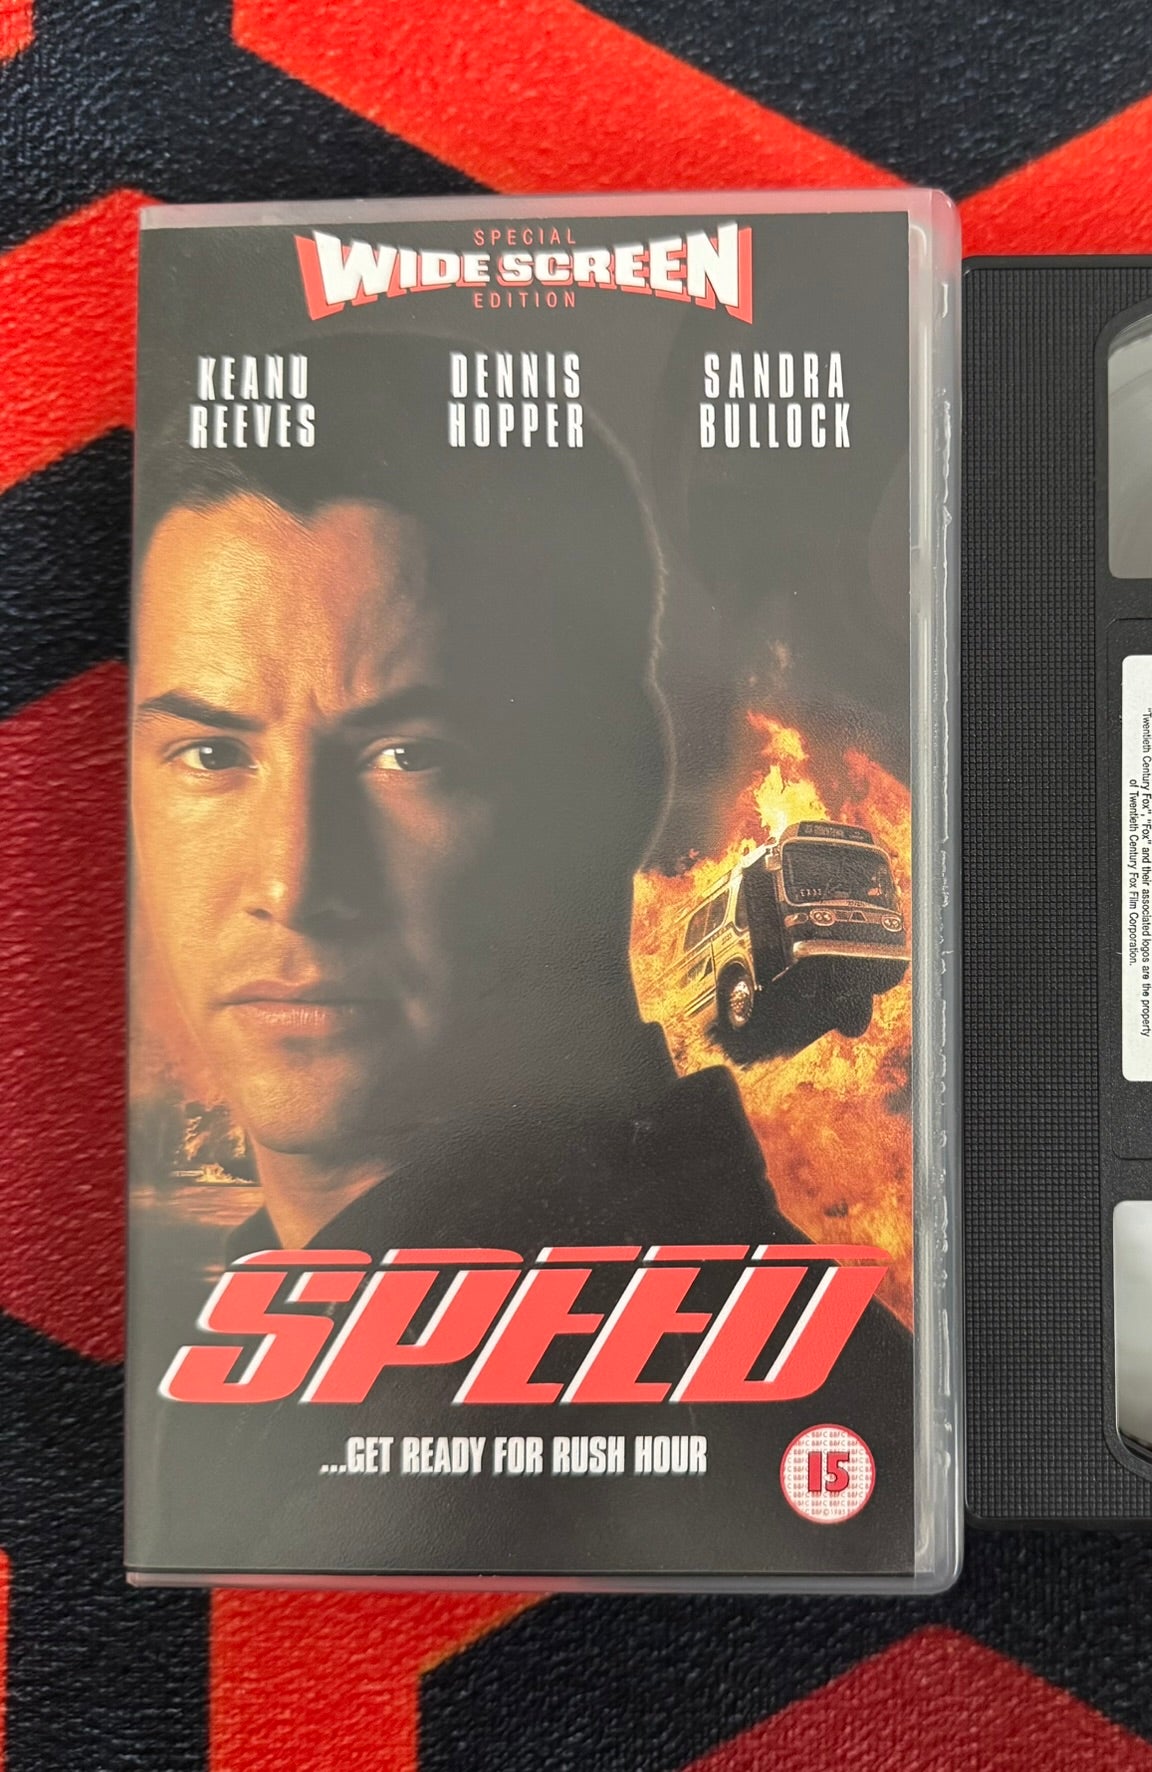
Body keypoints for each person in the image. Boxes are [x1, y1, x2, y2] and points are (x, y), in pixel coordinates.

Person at [127, 335, 911, 1577]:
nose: (292, 882)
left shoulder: (729, 1408)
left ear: (612, 786)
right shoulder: (272, 1324)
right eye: (211, 754)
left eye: (410, 753)